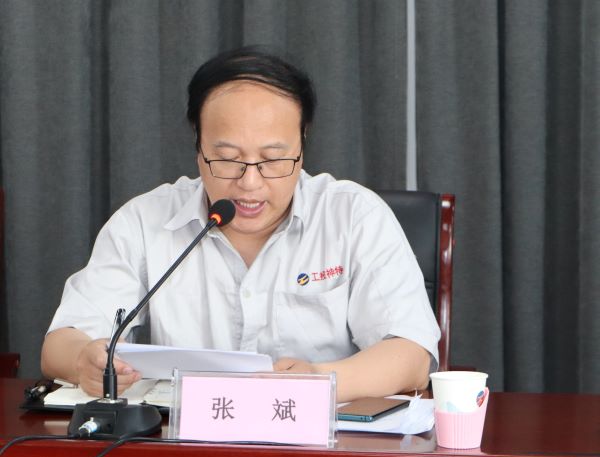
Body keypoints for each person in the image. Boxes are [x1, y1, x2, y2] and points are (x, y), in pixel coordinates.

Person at [41, 46, 440, 402]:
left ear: (302, 145)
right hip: (186, 448)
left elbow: (412, 356)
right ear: (198, 146)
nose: (250, 183)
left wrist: (320, 379)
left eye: (272, 159)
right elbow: (60, 343)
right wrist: (83, 360)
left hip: (324, 447)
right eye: (229, 159)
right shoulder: (145, 222)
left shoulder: (354, 216)